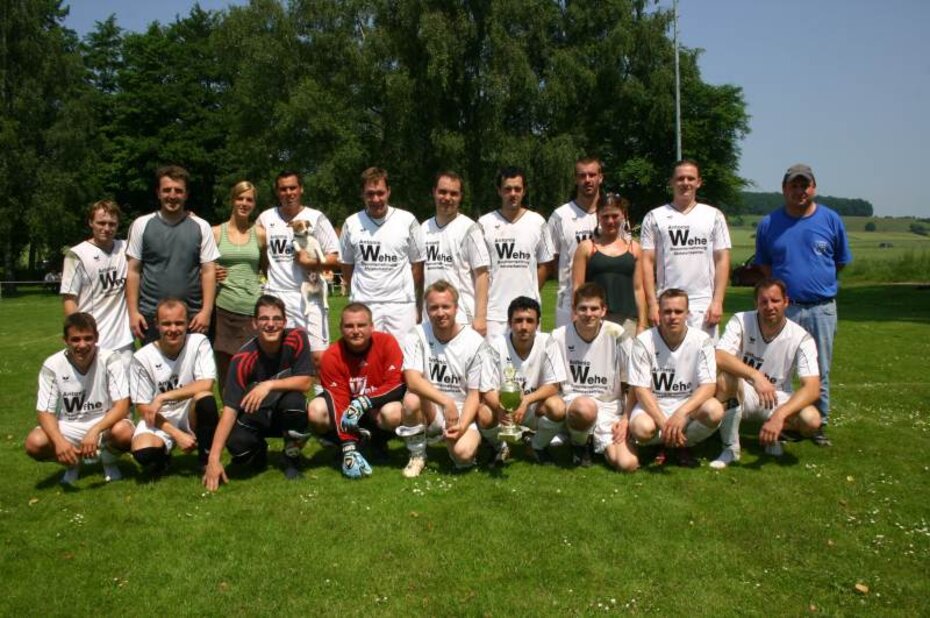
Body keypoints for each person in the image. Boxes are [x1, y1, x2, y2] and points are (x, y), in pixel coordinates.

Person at [755, 163, 852, 447]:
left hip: (822, 308)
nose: (800, 191)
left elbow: (840, 261)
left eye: (804, 185)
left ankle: (817, 423)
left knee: (818, 368)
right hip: (786, 308)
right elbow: (764, 265)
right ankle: (779, 419)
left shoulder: (831, 220)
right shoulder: (769, 223)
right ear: (784, 189)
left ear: (814, 188)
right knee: (778, 366)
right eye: (794, 186)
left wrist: (817, 284)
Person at [202, 295, 314, 490]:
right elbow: (229, 410)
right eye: (264, 319)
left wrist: (268, 385)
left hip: (283, 410)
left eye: (276, 319)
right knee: (238, 448)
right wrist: (213, 459)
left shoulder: (297, 338)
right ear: (254, 323)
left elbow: (306, 383)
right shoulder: (242, 359)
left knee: (296, 404)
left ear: (285, 322)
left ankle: (291, 459)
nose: (271, 325)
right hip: (257, 415)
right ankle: (258, 451)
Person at [710, 278, 822, 469]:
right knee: (725, 378)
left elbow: (812, 389)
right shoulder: (741, 320)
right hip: (744, 391)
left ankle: (774, 433)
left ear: (786, 302)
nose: (770, 306)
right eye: (764, 301)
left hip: (777, 397)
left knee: (811, 420)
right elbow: (719, 355)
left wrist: (779, 415)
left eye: (775, 300)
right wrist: (755, 376)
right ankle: (730, 448)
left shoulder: (801, 337)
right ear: (757, 304)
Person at [398, 281, 495, 477]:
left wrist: (462, 425)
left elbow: (474, 393)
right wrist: (445, 401)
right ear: (426, 310)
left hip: (460, 412)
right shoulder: (416, 334)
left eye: (446, 306)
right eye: (434, 307)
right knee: (410, 399)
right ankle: (418, 455)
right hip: (432, 408)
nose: (440, 313)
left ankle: (472, 441)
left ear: (456, 308)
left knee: (463, 456)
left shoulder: (474, 342)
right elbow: (413, 380)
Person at [25, 313, 134, 486]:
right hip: (68, 426)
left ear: (96, 338)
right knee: (34, 443)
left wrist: (95, 430)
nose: (82, 345)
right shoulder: (52, 365)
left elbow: (122, 406)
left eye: (88, 338)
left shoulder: (110, 359)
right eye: (75, 339)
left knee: (125, 432)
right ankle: (71, 462)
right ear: (65, 340)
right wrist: (60, 442)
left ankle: (108, 460)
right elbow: (45, 411)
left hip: (102, 422)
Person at [306, 303, 407, 479]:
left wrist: (364, 402)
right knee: (316, 410)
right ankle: (345, 446)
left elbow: (397, 384)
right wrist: (348, 445)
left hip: (376, 407)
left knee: (394, 413)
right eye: (349, 326)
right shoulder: (331, 356)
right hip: (346, 410)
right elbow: (338, 401)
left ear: (371, 326)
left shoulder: (386, 342)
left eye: (361, 325)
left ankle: (378, 442)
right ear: (341, 328)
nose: (355, 331)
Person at [626, 289, 723, 468]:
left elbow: (709, 386)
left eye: (678, 311)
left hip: (687, 407)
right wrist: (663, 423)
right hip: (655, 406)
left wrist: (681, 413)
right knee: (641, 428)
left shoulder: (702, 340)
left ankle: (682, 445)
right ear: (659, 313)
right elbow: (640, 389)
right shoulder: (643, 341)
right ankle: (667, 443)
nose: (673, 317)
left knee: (714, 411)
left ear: (688, 313)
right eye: (667, 311)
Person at [126, 165, 220, 343]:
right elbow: (133, 271)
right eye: (167, 190)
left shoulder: (201, 226)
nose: (172, 195)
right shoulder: (141, 224)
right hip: (152, 316)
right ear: (158, 193)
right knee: (154, 369)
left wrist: (206, 312)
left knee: (193, 370)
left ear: (186, 194)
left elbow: (209, 271)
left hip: (193, 317)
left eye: (178, 190)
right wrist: (133, 313)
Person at [256, 171, 339, 367]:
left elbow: (336, 257)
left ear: (301, 189)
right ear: (277, 192)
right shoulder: (265, 218)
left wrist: (311, 262)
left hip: (310, 295)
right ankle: (285, 397)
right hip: (277, 296)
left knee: (319, 358)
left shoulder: (316, 217)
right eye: (283, 189)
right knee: (279, 357)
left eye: (292, 188)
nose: (288, 193)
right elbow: (248, 246)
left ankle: (321, 398)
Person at [640, 160, 731, 338]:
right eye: (680, 178)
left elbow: (722, 259)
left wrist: (718, 301)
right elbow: (646, 262)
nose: (685, 183)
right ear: (671, 182)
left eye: (691, 178)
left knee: (703, 361)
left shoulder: (714, 216)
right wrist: (652, 304)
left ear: (699, 182)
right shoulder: (654, 217)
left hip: (702, 304)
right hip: (667, 303)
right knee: (666, 362)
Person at [550, 283, 636, 470]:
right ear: (574, 310)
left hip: (608, 409)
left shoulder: (617, 334)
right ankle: (579, 445)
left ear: (603, 310)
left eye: (594, 308)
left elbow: (631, 382)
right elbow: (552, 384)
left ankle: (593, 441)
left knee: (627, 464)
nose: (589, 314)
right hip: (576, 405)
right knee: (585, 407)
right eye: (583, 308)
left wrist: (625, 419)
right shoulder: (558, 336)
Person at [129, 298, 219, 476]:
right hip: (160, 418)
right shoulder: (142, 357)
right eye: (166, 324)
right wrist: (177, 434)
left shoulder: (199, 342)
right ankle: (164, 458)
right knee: (143, 454)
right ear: (156, 324)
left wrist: (163, 397)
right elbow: (144, 408)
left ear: (187, 323)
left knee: (205, 399)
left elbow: (207, 383)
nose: (173, 329)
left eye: (179, 323)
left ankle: (205, 460)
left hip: (189, 412)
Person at [340, 167, 426, 340]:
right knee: (367, 360)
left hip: (400, 305)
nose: (376, 199)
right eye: (370, 194)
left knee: (404, 360)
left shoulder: (407, 220)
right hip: (364, 304)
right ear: (362, 194)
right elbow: (346, 266)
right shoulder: (351, 223)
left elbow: (418, 265)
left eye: (380, 193)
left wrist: (404, 293)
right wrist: (360, 292)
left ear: (389, 191)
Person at [480, 296, 567, 466]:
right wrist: (500, 408)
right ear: (510, 323)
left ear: (537, 323)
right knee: (483, 413)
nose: (524, 326)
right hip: (504, 408)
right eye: (518, 320)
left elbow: (553, 385)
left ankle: (536, 446)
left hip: (534, 407)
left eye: (529, 321)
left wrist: (526, 400)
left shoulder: (548, 342)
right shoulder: (495, 345)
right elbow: (486, 389)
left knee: (557, 407)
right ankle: (501, 447)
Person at [478, 166, 555, 339]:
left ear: (524, 191)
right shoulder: (484, 223)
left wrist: (531, 291)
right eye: (507, 189)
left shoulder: (538, 222)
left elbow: (545, 264)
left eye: (517, 189)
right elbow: (479, 270)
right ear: (499, 191)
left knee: (528, 364)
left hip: (528, 312)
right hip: (495, 314)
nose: (513, 193)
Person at [60, 200, 134, 367]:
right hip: (93, 342)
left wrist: (187, 218)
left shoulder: (126, 248)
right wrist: (80, 337)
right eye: (101, 223)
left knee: (126, 392)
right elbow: (69, 299)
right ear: (90, 222)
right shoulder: (76, 255)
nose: (106, 228)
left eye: (112, 224)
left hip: (124, 342)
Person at [421, 171, 490, 336]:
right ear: (434, 192)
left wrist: (480, 317)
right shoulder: (423, 229)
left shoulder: (469, 228)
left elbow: (482, 274)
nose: (447, 197)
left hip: (461, 319)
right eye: (443, 192)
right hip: (429, 318)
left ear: (460, 197)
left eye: (454, 193)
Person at [212, 181, 265, 392]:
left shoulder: (260, 234)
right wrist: (210, 271)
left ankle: (251, 420)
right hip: (223, 309)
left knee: (252, 370)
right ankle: (230, 419)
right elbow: (201, 267)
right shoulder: (215, 233)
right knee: (226, 373)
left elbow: (267, 269)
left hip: (251, 310)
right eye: (240, 198)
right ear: (232, 200)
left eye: (249, 199)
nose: (244, 203)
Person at [571, 193, 646, 338]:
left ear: (623, 215)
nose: (610, 221)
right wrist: (576, 318)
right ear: (598, 216)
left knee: (626, 359)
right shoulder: (586, 248)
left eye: (615, 216)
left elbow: (638, 289)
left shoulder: (634, 248)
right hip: (593, 318)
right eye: (605, 216)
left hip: (626, 320)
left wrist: (642, 324)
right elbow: (577, 287)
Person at [547, 156, 602, 328]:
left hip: (604, 301)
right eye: (582, 175)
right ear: (575, 179)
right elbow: (552, 260)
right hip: (568, 301)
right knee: (567, 353)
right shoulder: (559, 216)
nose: (587, 180)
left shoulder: (612, 215)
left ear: (601, 177)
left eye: (592, 175)